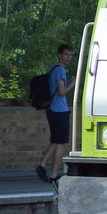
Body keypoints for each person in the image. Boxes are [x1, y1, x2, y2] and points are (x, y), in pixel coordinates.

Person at [36, 44, 75, 183]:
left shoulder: (53, 68)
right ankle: (52, 173)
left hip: (53, 109)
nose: (68, 57)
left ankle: (43, 165)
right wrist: (72, 83)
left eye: (71, 55)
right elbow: (62, 91)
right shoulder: (60, 70)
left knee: (55, 140)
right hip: (59, 110)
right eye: (66, 54)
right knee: (61, 143)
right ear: (59, 55)